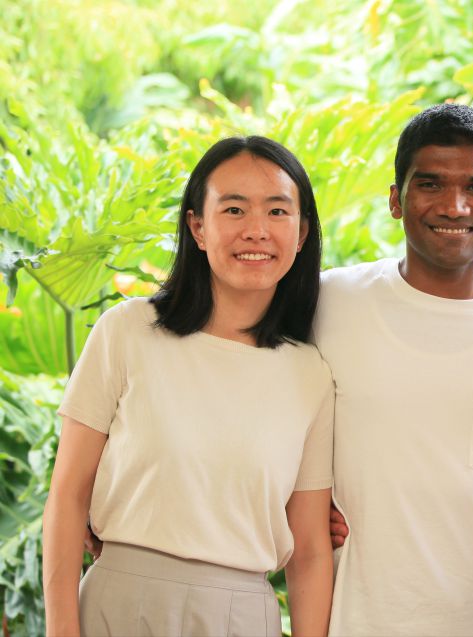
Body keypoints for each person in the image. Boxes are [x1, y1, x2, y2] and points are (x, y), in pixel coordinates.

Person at [42, 136, 334, 637]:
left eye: (278, 212)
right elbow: (68, 497)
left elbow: (308, 550)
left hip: (242, 617)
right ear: (197, 226)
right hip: (116, 605)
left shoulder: (310, 373)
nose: (257, 231)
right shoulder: (127, 330)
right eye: (234, 209)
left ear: (303, 232)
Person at [314, 104, 473, 636]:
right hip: (354, 621)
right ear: (395, 199)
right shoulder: (328, 303)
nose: (454, 206)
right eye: (429, 184)